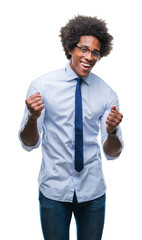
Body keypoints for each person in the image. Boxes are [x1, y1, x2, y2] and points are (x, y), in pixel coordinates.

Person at [19, 15, 123, 240]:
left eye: (95, 52)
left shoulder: (106, 93)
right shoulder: (42, 86)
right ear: (70, 48)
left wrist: (113, 131)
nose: (89, 57)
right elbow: (29, 143)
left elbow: (111, 152)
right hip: (54, 190)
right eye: (83, 49)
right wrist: (32, 117)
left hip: (92, 191)